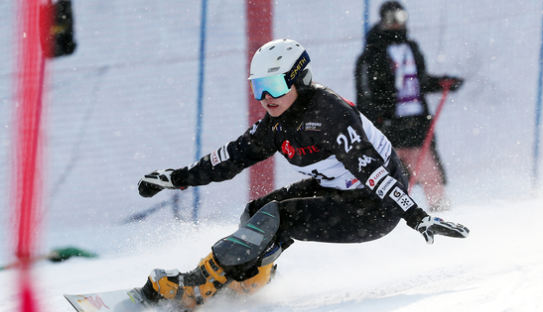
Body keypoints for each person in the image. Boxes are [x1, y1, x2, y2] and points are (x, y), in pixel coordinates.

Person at [137, 38, 469, 311]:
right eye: (259, 88)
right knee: (257, 212)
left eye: (274, 86)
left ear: (299, 80)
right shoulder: (276, 124)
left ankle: (201, 283)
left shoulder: (329, 115)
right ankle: (247, 281)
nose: (266, 98)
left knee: (278, 216)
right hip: (339, 190)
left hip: (373, 208)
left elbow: (373, 172)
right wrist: (176, 177)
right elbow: (230, 158)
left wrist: (416, 216)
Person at [354, 1, 464, 211]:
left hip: (417, 124)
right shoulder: (371, 55)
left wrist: (441, 83)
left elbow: (417, 82)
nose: (396, 24)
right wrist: (377, 120)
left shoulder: (411, 48)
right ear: (382, 21)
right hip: (388, 127)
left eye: (400, 18)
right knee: (387, 175)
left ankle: (441, 212)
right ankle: (383, 214)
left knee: (430, 172)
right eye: (391, 19)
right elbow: (365, 94)